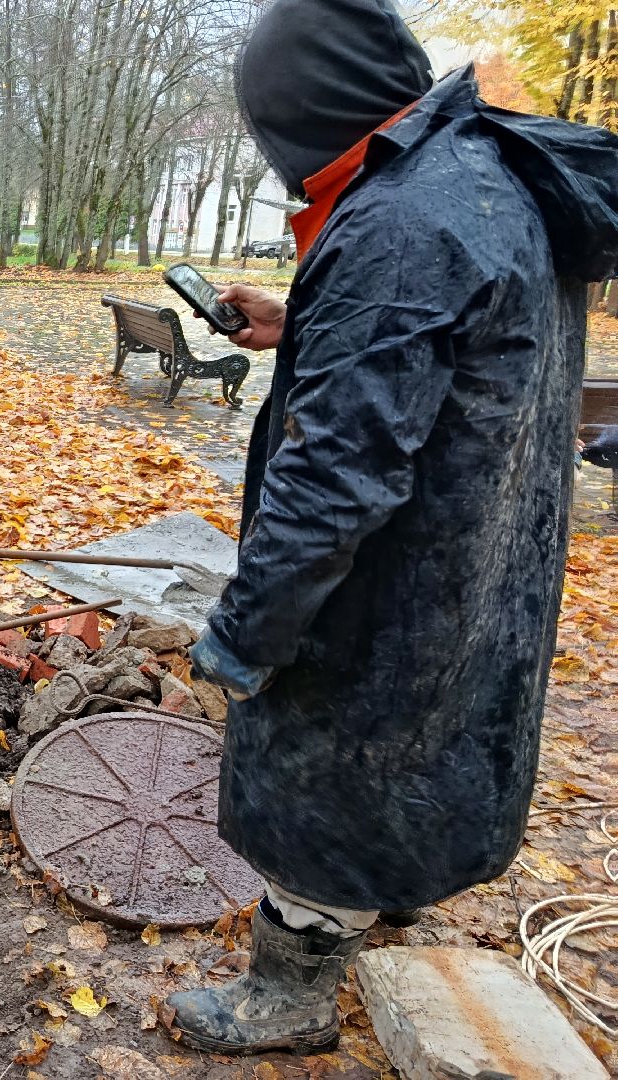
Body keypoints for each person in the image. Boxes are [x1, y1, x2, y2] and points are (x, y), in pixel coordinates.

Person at [161, 0, 618, 1057]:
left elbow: (335, 478)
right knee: (423, 752)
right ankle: (386, 893)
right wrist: (303, 325)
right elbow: (450, 348)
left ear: (299, 113)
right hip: (481, 556)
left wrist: (244, 636)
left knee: (326, 769)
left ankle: (289, 998)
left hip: (392, 580)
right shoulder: (480, 173)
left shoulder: (396, 224)